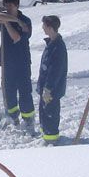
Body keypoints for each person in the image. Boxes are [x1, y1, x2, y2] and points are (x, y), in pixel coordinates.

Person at [0, 0, 34, 128]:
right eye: (6, 6)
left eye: (10, 5)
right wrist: (15, 21)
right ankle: (12, 116)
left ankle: (28, 118)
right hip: (7, 61)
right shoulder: (10, 18)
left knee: (24, 90)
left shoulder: (26, 21)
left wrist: (8, 24)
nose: (7, 8)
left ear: (17, 5)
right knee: (9, 90)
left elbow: (16, 37)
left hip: (22, 61)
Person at [37, 15, 68, 145]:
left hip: (51, 90)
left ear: (50, 27)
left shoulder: (58, 47)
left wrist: (48, 88)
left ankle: (52, 138)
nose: (42, 28)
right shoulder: (51, 43)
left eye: (44, 25)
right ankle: (46, 135)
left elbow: (55, 71)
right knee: (44, 111)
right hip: (45, 87)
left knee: (50, 112)